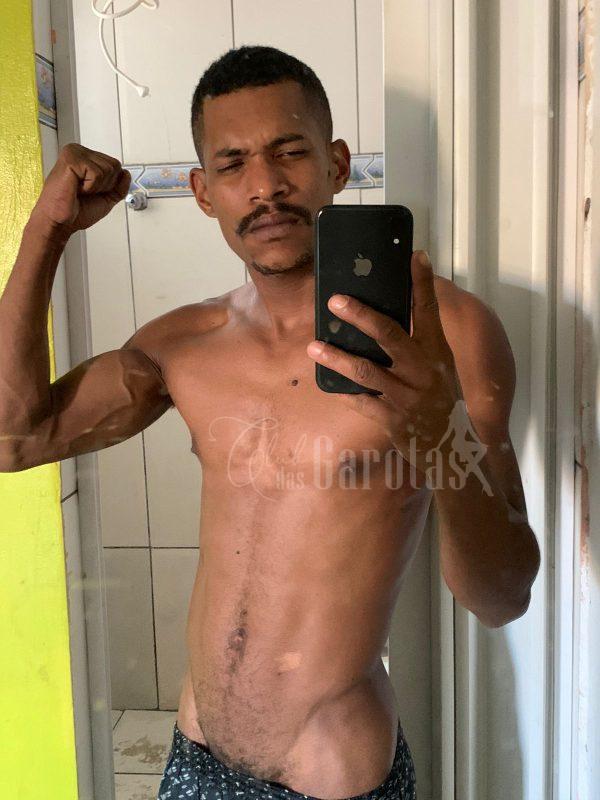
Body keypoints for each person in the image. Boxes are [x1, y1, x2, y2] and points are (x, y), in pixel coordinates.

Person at [0, 45, 540, 800]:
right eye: (233, 164)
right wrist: (46, 232)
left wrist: (441, 434)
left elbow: (502, 596)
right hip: (195, 758)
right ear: (202, 191)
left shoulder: (444, 335)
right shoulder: (184, 343)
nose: (265, 186)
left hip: (334, 779)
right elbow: (15, 438)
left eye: (290, 152)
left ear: (336, 165)